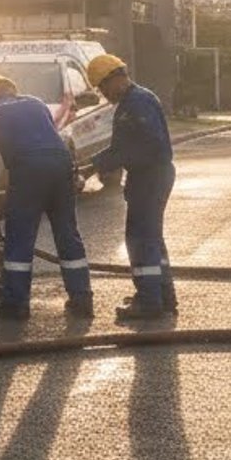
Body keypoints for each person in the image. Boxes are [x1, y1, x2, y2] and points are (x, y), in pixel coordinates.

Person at [0, 75, 93, 321]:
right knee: (67, 233)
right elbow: (46, 137)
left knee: (20, 236)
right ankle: (82, 299)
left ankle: (16, 304)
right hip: (62, 165)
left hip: (28, 169)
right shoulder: (36, 103)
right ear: (12, 90)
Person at [86, 54, 178, 321]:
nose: (103, 94)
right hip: (149, 175)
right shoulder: (134, 101)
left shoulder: (136, 104)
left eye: (102, 87)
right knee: (152, 238)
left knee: (140, 239)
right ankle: (163, 295)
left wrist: (97, 165)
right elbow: (123, 148)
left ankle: (149, 302)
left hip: (149, 177)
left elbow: (140, 146)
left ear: (114, 79)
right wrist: (91, 166)